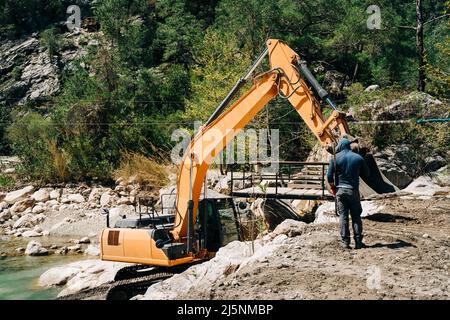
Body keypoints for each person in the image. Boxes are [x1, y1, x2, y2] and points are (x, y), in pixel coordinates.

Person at [327, 138, 370, 249]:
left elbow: (328, 176)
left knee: (343, 216)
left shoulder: (334, 159)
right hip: (353, 191)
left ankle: (345, 242)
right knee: (356, 216)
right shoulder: (358, 158)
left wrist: (333, 187)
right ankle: (358, 242)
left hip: (340, 191)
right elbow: (367, 174)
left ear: (340, 146)